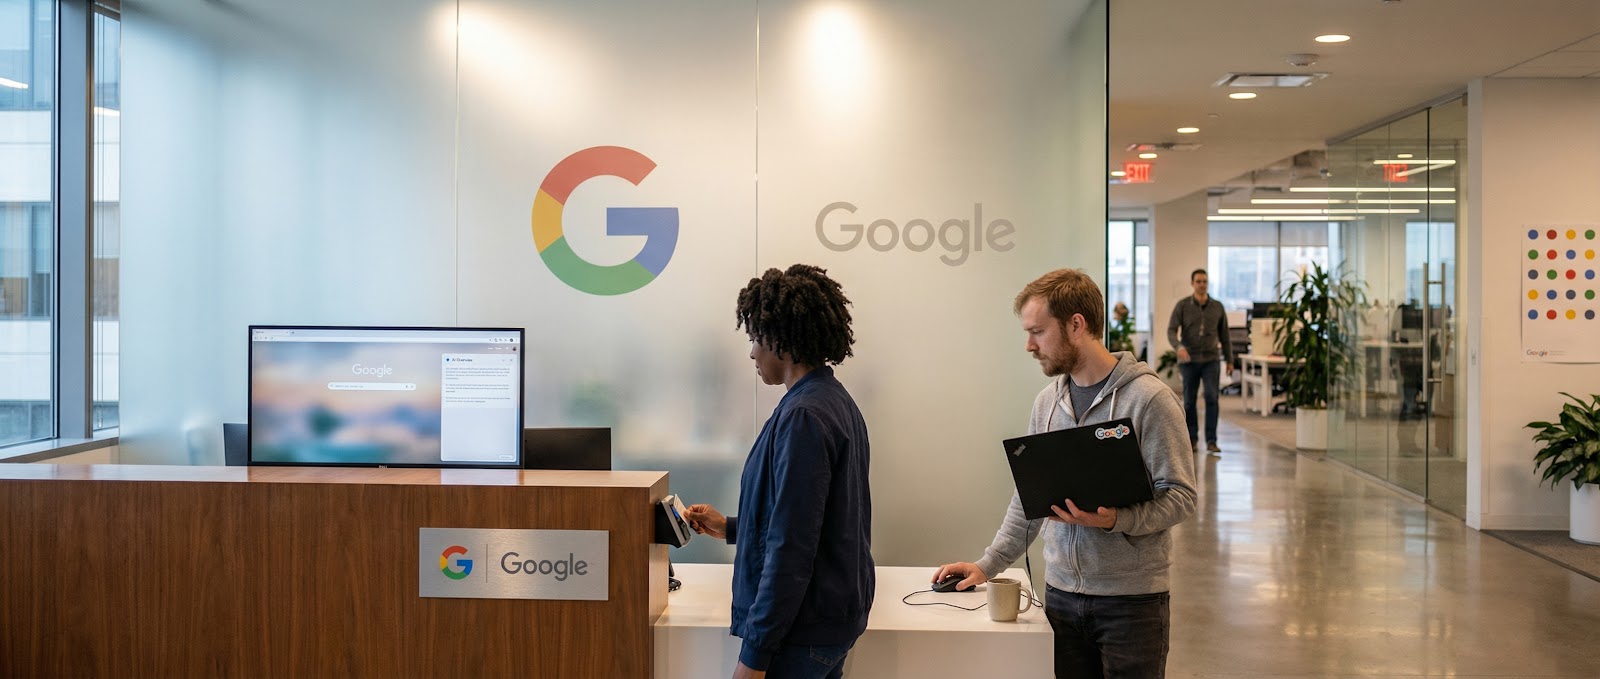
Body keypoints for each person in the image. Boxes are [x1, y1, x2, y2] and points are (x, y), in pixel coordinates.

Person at [934, 268, 1196, 679]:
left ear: (1076, 324)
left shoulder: (1150, 400)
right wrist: (987, 565)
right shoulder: (1047, 404)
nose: (1029, 345)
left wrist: (1117, 520)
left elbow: (1181, 495)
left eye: (1038, 331)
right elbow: (1029, 498)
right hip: (1060, 601)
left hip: (1131, 605)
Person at [683, 264, 874, 679]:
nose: (752, 352)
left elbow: (793, 545)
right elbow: (813, 521)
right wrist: (730, 527)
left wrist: (754, 656)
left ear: (782, 344)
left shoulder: (804, 416)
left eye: (755, 339)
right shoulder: (833, 401)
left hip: (800, 635)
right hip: (826, 623)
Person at [1167, 268, 1233, 454]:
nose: (1202, 284)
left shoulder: (1217, 307)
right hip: (1189, 361)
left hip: (1211, 360)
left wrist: (1229, 360)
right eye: (1198, 281)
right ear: (1192, 283)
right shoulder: (1182, 306)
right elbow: (1171, 330)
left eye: (1204, 281)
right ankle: (1192, 438)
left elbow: (1225, 336)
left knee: (1212, 398)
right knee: (1189, 401)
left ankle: (1211, 441)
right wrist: (1179, 347)